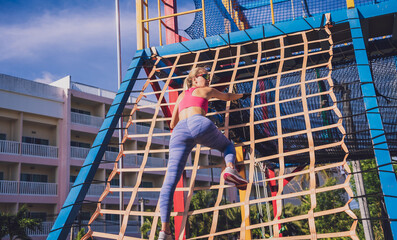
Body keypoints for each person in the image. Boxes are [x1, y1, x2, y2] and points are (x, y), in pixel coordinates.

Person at [158, 67, 250, 240]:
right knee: (228, 146)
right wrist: (243, 96)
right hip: (198, 123)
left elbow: (172, 124)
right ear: (194, 80)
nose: (208, 79)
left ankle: (165, 232)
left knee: (170, 180)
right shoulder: (206, 90)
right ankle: (230, 167)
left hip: (179, 132)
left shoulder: (180, 96)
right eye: (204, 76)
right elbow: (228, 97)